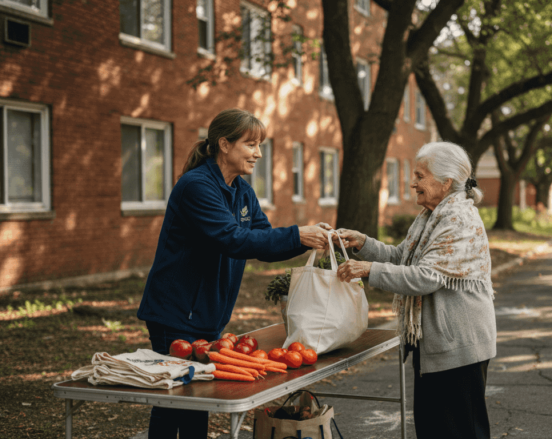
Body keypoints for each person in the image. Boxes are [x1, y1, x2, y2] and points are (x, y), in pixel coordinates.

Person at [136, 108, 330, 438]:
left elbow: (262, 241)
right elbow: (232, 239)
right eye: (250, 144)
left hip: (208, 312)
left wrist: (307, 239)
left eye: (260, 145)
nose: (257, 153)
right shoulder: (197, 186)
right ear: (224, 145)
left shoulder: (241, 190)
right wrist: (298, 233)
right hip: (175, 311)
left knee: (199, 398)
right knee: (173, 403)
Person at [334, 141, 496, 439]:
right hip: (435, 341)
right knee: (434, 429)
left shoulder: (458, 219)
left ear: (446, 181)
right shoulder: (431, 217)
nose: (413, 183)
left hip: (458, 346)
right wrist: (364, 244)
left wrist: (369, 270)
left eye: (420, 176)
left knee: (461, 431)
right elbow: (403, 258)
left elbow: (426, 277)